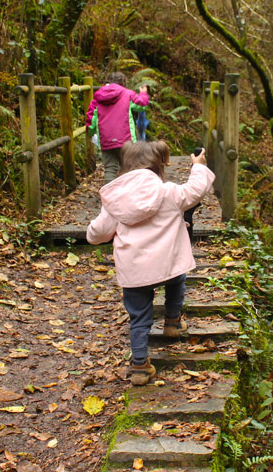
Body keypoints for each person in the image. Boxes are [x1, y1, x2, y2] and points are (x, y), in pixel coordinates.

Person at [86, 142, 214, 385]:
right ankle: (173, 321)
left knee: (139, 317)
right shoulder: (169, 192)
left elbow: (98, 233)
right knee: (177, 280)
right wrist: (198, 166)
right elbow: (196, 190)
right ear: (158, 165)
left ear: (125, 166)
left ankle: (140, 366)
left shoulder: (115, 200)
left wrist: (92, 233)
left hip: (134, 271)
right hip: (167, 264)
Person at [85, 72, 149, 183]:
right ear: (123, 83)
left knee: (110, 168)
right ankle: (127, 195)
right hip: (126, 139)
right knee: (129, 168)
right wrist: (143, 93)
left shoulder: (98, 98)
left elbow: (91, 121)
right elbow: (141, 105)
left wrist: (91, 133)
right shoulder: (127, 94)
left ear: (107, 82)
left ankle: (110, 196)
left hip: (106, 139)